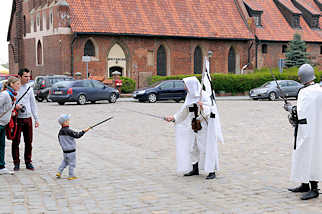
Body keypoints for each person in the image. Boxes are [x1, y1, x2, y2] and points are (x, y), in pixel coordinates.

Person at [165, 76, 223, 179]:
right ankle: (194, 169)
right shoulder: (189, 96)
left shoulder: (204, 96)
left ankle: (211, 171)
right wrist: (173, 118)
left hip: (204, 126)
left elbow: (211, 110)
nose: (185, 88)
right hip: (193, 126)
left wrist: (202, 106)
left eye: (186, 85)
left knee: (206, 147)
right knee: (193, 147)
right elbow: (184, 112)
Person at [284, 64, 322, 200]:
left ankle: (314, 189)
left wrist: (290, 109)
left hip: (307, 131)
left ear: (302, 77)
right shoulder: (318, 90)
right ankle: (304, 184)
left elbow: (300, 112)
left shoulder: (306, 92)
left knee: (310, 157)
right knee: (305, 156)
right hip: (312, 130)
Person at [12, 68, 39, 171]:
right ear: (19, 77)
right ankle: (16, 163)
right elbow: (9, 102)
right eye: (25, 76)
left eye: (29, 76)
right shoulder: (15, 88)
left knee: (29, 142)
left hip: (28, 118)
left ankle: (28, 162)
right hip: (17, 118)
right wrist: (16, 106)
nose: (28, 79)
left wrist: (36, 119)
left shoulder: (30, 88)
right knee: (16, 142)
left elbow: (33, 104)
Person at [56, 114, 90, 180]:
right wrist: (83, 131)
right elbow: (77, 135)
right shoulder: (69, 131)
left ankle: (59, 172)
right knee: (72, 163)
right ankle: (71, 175)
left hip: (65, 151)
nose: (69, 122)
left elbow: (60, 141)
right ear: (64, 122)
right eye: (68, 120)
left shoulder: (60, 132)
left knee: (65, 162)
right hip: (71, 151)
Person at [0, 77, 21, 175]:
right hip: (0, 123)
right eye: (17, 84)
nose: (19, 86)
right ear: (11, 84)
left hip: (4, 124)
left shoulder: (13, 95)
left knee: (2, 145)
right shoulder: (5, 95)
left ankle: (1, 166)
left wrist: (11, 113)